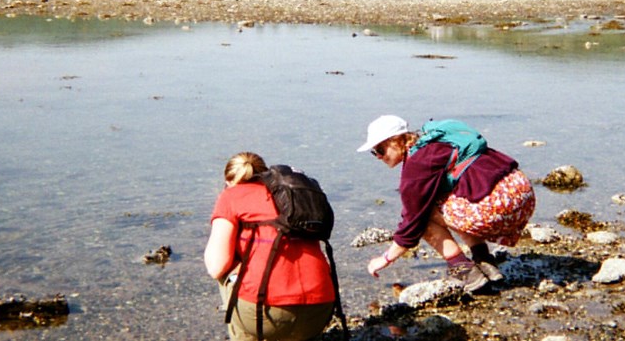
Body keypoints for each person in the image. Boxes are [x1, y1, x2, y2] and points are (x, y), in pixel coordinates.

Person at [359, 115, 536, 293]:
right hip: (522, 194)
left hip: (500, 208)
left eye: (380, 149)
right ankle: (484, 260)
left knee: (424, 217)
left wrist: (385, 259)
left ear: (396, 141)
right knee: (447, 197)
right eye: (374, 152)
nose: (379, 157)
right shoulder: (435, 140)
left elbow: (411, 226)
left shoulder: (417, 166)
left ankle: (463, 270)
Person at [204, 152, 336, 341]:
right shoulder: (292, 197)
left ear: (228, 180)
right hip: (321, 310)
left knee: (226, 272)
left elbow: (215, 267)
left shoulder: (230, 196)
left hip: (266, 317)